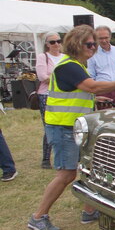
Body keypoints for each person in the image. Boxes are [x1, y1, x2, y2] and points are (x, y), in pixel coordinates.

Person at [27, 25, 115, 230]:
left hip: (74, 127)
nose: (93, 48)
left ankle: (90, 211)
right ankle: (38, 216)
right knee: (66, 174)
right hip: (63, 127)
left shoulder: (77, 66)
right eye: (90, 44)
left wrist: (94, 98)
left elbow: (82, 91)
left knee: (89, 168)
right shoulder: (69, 66)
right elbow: (92, 86)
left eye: (95, 44)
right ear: (76, 44)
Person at [35, 32, 65, 168]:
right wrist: (61, 77)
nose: (56, 44)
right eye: (52, 42)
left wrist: (53, 77)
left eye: (58, 41)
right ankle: (46, 159)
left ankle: (64, 155)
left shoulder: (65, 57)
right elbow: (42, 77)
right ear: (47, 45)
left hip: (63, 95)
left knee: (64, 126)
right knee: (49, 126)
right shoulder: (43, 57)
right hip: (46, 95)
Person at [87, 26, 115, 108]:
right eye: (100, 38)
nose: (104, 41)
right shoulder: (92, 54)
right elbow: (91, 77)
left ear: (110, 37)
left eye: (106, 38)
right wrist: (94, 97)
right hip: (102, 92)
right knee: (105, 118)